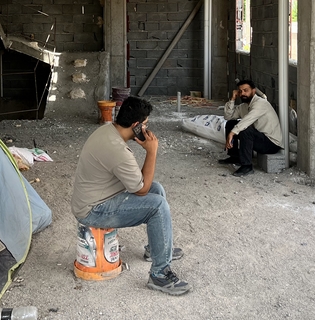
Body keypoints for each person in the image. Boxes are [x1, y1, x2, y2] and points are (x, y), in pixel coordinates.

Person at [71, 96, 192, 296]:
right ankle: (159, 275)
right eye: (145, 124)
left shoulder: (108, 131)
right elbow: (141, 189)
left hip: (97, 197)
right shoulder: (117, 149)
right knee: (157, 205)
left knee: (157, 189)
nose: (146, 129)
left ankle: (156, 249)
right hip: (93, 210)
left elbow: (144, 184)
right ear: (136, 126)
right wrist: (152, 152)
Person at [219, 79, 283, 177]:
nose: (242, 94)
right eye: (240, 91)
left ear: (253, 91)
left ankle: (247, 166)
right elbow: (228, 116)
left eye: (246, 90)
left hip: (271, 143)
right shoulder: (243, 106)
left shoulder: (261, 103)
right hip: (258, 138)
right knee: (231, 123)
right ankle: (235, 157)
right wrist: (232, 99)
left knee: (245, 129)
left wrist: (232, 133)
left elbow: (248, 119)